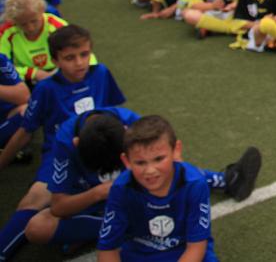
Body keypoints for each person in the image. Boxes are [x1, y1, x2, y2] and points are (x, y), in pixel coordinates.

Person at [22, 108, 261, 256]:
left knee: (172, 179)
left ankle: (225, 180)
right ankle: (116, 228)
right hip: (110, 204)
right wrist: (99, 193)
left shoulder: (131, 126)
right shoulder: (67, 143)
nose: (149, 168)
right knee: (36, 228)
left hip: (138, 203)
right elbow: (59, 207)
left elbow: (172, 166)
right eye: (139, 162)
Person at [0, 25, 125, 260]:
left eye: (84, 54)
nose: (79, 63)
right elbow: (25, 131)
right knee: (33, 201)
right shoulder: (46, 89)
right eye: (69, 58)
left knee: (145, 179)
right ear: (55, 60)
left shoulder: (101, 74)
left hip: (101, 150)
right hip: (60, 155)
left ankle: (93, 227)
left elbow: (115, 115)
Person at [96, 115, 218, 261]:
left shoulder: (194, 184)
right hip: (140, 256)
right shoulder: (121, 189)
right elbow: (107, 248)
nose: (150, 170)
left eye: (159, 159)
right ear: (126, 161)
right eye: (140, 162)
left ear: (176, 150)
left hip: (185, 251)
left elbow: (196, 247)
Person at [0, 0, 69, 83]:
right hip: (22, 78)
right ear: (13, 21)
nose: (30, 28)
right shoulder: (6, 32)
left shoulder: (57, 26)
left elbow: (78, 54)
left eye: (34, 21)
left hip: (59, 72)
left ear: (42, 11)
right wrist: (33, 73)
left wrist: (59, 72)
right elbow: (2, 66)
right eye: (23, 24)